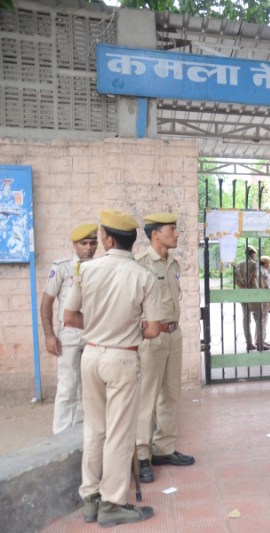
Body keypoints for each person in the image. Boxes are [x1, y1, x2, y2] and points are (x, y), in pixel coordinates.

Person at [63, 209, 161, 527]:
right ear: (131, 241)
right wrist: (129, 328)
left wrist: (98, 326)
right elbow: (153, 329)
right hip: (122, 358)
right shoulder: (144, 276)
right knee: (119, 432)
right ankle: (113, 503)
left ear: (108, 240)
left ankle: (90, 498)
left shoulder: (85, 270)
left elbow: (69, 317)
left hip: (91, 354)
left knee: (94, 430)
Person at [135, 213, 195, 485]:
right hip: (152, 337)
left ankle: (164, 449)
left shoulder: (173, 263)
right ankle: (142, 455)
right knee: (146, 397)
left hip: (173, 333)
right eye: (172, 229)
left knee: (171, 395)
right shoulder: (141, 265)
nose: (177, 234)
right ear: (155, 234)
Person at [41, 223, 98, 434]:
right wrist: (49, 335)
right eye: (84, 243)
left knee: (88, 387)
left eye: (93, 243)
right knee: (67, 386)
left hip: (93, 332)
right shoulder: (62, 267)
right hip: (70, 334)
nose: (89, 248)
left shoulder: (100, 267)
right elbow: (46, 302)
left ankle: (79, 433)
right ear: (74, 244)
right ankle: (60, 434)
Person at [234, 245, 265, 351]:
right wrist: (248, 288)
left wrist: (243, 288)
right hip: (252, 293)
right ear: (252, 253)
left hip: (242, 293)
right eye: (254, 254)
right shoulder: (254, 264)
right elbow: (252, 278)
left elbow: (236, 281)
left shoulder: (239, 264)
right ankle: (260, 343)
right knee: (259, 318)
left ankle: (249, 343)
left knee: (246, 319)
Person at [259, 256, 270, 347]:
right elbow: (266, 286)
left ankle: (262, 340)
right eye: (268, 263)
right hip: (264, 297)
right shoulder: (263, 272)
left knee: (263, 319)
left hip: (263, 296)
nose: (269, 265)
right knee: (263, 319)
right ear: (265, 263)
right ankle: (261, 341)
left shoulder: (262, 270)